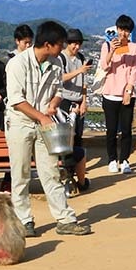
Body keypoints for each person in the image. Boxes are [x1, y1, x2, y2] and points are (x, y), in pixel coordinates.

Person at [5, 22, 90, 237]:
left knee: (51, 172)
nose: (62, 48)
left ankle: (65, 218)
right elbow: (16, 100)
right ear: (47, 44)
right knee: (21, 173)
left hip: (44, 122)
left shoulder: (55, 64)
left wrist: (53, 103)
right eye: (60, 44)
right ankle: (24, 220)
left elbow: (59, 89)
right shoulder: (17, 64)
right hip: (20, 123)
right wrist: (42, 116)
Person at [97, 14, 136, 174]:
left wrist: (128, 91)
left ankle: (124, 160)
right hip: (109, 93)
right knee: (111, 131)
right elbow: (104, 66)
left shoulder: (135, 48)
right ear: (116, 29)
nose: (123, 33)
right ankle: (112, 159)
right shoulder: (107, 46)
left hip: (127, 94)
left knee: (127, 130)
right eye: (121, 29)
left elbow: (134, 71)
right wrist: (112, 50)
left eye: (127, 30)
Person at [57, 28, 92, 193]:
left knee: (78, 138)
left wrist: (84, 101)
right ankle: (68, 175)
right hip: (64, 102)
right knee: (66, 140)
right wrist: (79, 71)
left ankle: (76, 176)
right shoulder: (61, 58)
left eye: (79, 44)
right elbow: (60, 79)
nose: (76, 47)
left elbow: (84, 83)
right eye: (74, 44)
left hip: (78, 101)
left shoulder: (81, 58)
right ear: (67, 43)